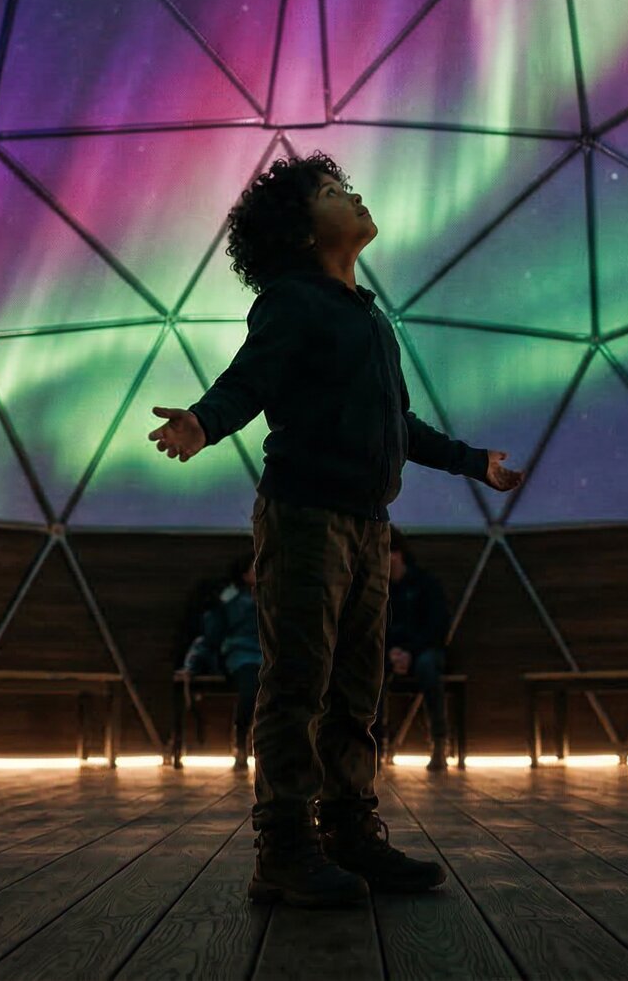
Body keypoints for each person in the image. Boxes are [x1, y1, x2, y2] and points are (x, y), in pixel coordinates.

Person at [147, 154, 526, 910]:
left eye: (347, 185)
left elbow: (399, 425)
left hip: (366, 524)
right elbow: (248, 381)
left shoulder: (372, 321)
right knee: (297, 683)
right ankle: (284, 850)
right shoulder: (292, 302)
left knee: (359, 688)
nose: (353, 194)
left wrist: (470, 462)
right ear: (298, 231)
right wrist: (203, 423)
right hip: (306, 519)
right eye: (331, 192)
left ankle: (351, 832)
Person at [383, 531, 454, 772]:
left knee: (427, 667)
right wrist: (392, 652)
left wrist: (409, 652)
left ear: (397, 555)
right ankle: (374, 744)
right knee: (370, 669)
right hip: (392, 653)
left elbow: (436, 626)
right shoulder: (380, 590)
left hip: (423, 651)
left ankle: (439, 744)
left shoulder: (425, 584)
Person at [184, 551, 261, 771]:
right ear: (245, 574)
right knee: (249, 688)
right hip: (241, 653)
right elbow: (213, 631)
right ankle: (241, 742)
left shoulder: (272, 596)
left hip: (267, 653)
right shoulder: (232, 598)